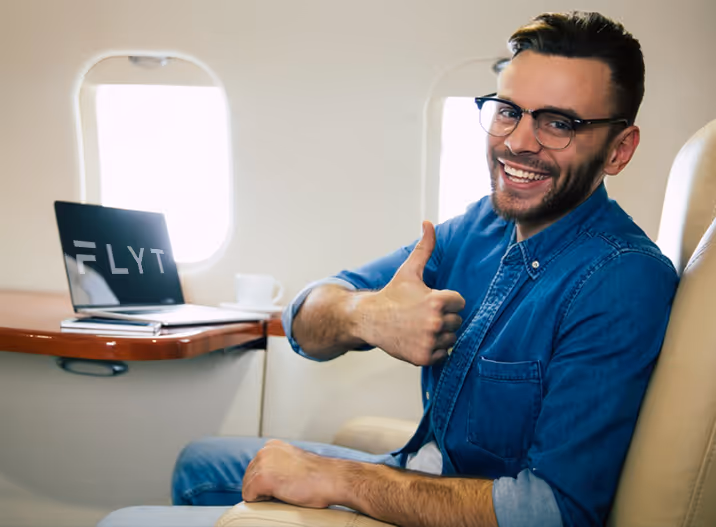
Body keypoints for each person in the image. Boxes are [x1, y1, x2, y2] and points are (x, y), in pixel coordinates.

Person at [171, 11, 678, 527]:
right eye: (508, 111)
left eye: (559, 123)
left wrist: (339, 479)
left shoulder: (622, 279)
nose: (519, 142)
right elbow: (303, 316)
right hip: (413, 469)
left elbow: (553, 511)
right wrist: (363, 316)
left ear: (619, 150)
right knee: (196, 464)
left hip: (452, 508)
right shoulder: (482, 225)